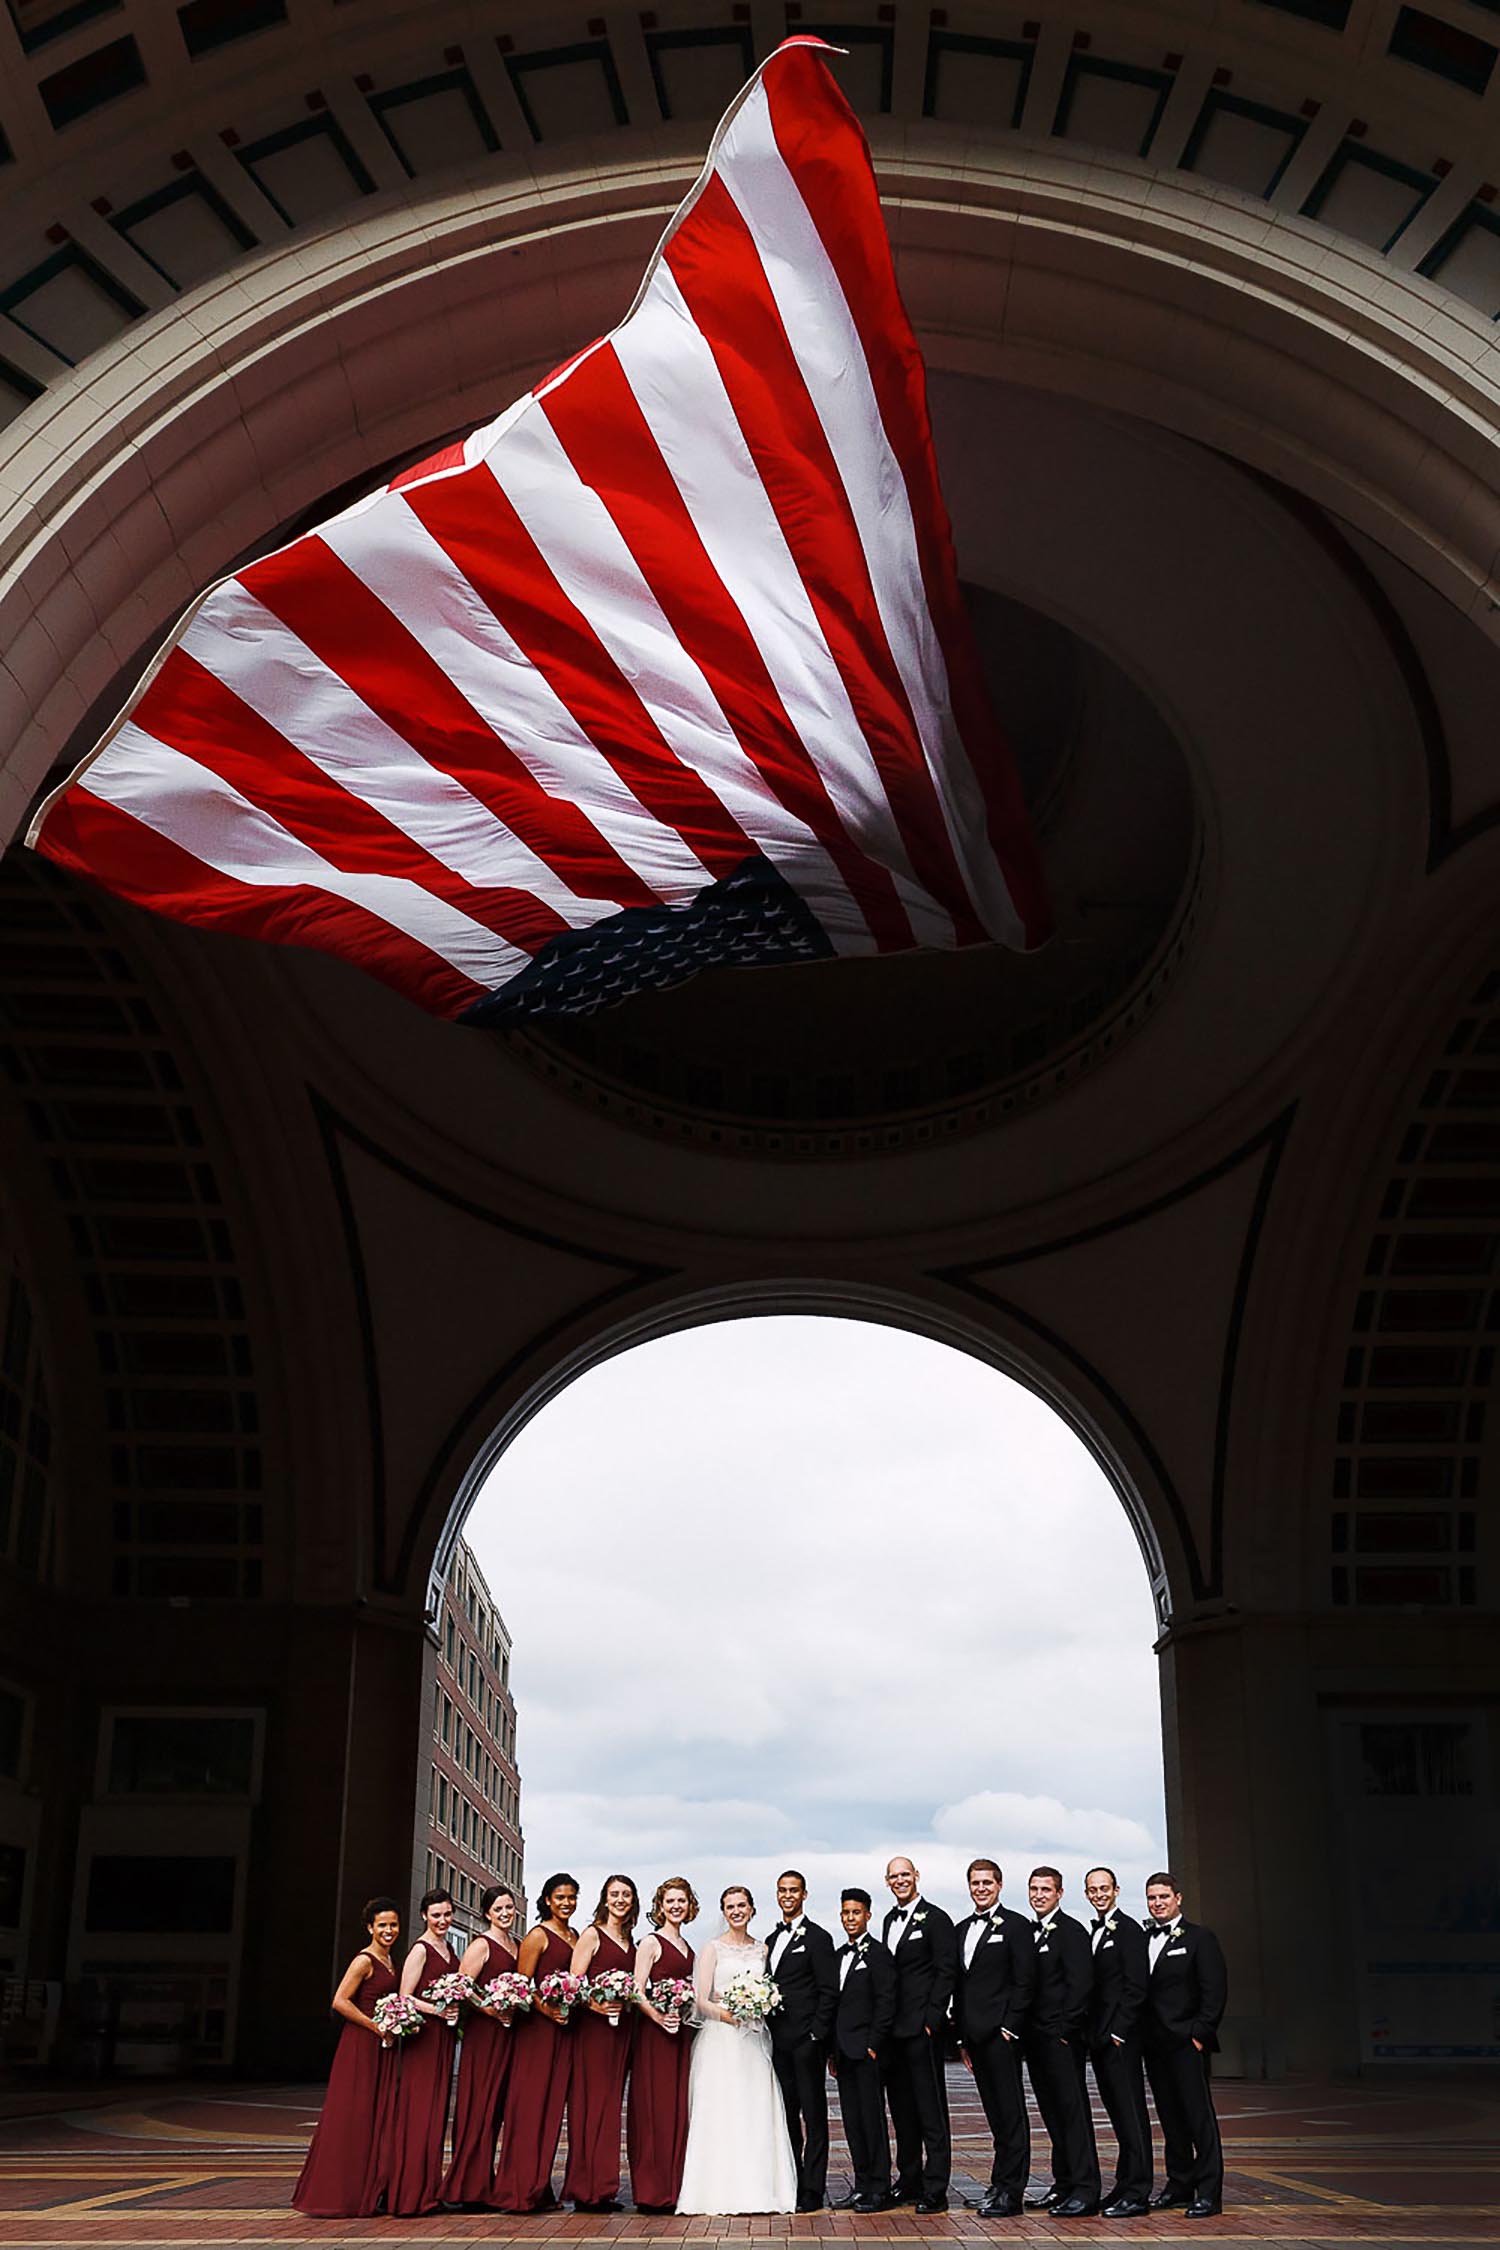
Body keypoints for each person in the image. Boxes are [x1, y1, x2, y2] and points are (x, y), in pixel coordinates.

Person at [676, 1883, 797, 2214]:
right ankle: (716, 2190)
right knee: (721, 2109)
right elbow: (700, 1999)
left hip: (754, 2040)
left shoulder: (762, 1950)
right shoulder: (712, 1949)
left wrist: (760, 2005)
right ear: (724, 1911)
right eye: (730, 1906)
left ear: (752, 1909)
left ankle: (759, 2189)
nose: (736, 1911)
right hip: (721, 2039)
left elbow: (769, 1991)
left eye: (742, 1905)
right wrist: (728, 2016)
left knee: (755, 2108)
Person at [291, 1895, 402, 2217]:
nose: (389, 1930)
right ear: (370, 1927)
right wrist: (375, 2026)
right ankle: (337, 2194)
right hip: (361, 2044)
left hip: (383, 2045)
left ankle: (369, 2187)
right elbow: (340, 2000)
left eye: (393, 1924)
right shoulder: (364, 1960)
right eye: (382, 1925)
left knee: (375, 2116)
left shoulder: (391, 1960)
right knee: (352, 2114)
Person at [490, 1871, 580, 2212]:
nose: (566, 1903)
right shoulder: (537, 1937)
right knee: (528, 2110)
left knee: (552, 2112)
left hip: (565, 2034)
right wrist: (548, 2011)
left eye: (571, 1897)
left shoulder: (575, 1936)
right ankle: (517, 2191)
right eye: (560, 1897)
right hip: (537, 2034)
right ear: (546, 1900)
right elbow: (522, 1985)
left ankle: (540, 2189)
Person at [1141, 1873, 1228, 2218]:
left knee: (1198, 2119)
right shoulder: (1145, 1938)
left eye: (1163, 1896)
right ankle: (1179, 2184)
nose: (1157, 1902)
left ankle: (1209, 2191)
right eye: (1151, 1897)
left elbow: (1215, 1991)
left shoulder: (1200, 1938)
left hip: (1186, 2044)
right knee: (1170, 2119)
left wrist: (1199, 2034)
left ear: (1178, 1898)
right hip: (1155, 2045)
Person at [952, 1857, 1035, 2218]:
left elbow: (1025, 1980)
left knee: (1011, 2114)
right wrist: (961, 2039)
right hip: (975, 2038)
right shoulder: (961, 1930)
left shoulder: (1016, 1926)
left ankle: (1011, 2193)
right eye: (975, 1883)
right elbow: (959, 1985)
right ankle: (998, 2184)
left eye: (987, 1882)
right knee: (995, 2116)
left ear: (999, 1885)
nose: (981, 1888)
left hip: (1002, 2037)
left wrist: (1009, 2027)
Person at [880, 1853, 956, 2212]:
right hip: (893, 2031)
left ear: (917, 1876)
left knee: (931, 2111)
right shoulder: (887, 1921)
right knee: (902, 2111)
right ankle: (909, 2179)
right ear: (887, 1881)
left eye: (905, 1875)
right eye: (894, 1876)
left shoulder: (937, 1919)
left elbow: (946, 1971)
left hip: (922, 2030)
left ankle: (936, 2186)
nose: (900, 1881)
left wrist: (932, 2020)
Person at [1023, 1866, 1100, 2218]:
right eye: (1034, 1889)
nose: (1039, 1895)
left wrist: (1065, 2031)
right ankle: (1064, 2183)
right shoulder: (1030, 1933)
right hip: (1036, 2040)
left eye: (1046, 1890)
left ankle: (1086, 2188)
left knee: (1073, 2113)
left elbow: (1080, 1985)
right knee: (1053, 2114)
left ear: (1060, 1893)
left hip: (1061, 2039)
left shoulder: (1071, 1931)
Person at [440, 1882, 522, 2208]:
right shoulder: (481, 1946)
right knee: (479, 2107)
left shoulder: (516, 1945)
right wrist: (488, 2006)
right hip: (484, 2036)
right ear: (486, 1913)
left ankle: (485, 2182)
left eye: (509, 1908)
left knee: (498, 2110)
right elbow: (460, 1986)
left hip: (508, 2036)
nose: (505, 1913)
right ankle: (467, 2186)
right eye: (498, 1909)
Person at [563, 1873, 639, 2212]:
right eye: (614, 1894)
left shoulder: (630, 1939)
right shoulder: (591, 1935)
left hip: (620, 2032)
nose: (620, 1899)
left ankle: (605, 2188)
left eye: (626, 1894)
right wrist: (596, 2004)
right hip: (593, 2031)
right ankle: (585, 2189)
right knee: (589, 2105)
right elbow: (572, 1985)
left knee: (610, 2107)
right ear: (604, 1899)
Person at [385, 1887, 462, 2216]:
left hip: (444, 2040)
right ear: (424, 1916)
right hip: (424, 2039)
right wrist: (438, 2011)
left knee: (435, 2115)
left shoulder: (449, 1947)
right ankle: (409, 2194)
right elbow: (404, 1995)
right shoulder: (420, 1949)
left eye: (447, 1915)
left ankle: (428, 2190)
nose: (442, 1921)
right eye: (436, 1915)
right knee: (417, 2114)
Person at [765, 1867, 838, 2211]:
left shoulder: (819, 1938)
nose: (788, 1896)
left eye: (794, 1890)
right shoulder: (770, 1940)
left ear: (804, 1894)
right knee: (787, 2114)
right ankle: (793, 2180)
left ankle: (814, 2188)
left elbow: (828, 1991)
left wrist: (816, 2035)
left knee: (814, 2116)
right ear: (777, 1895)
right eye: (782, 1890)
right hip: (777, 2043)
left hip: (807, 2043)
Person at [1083, 1865, 1152, 2218]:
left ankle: (1138, 2192)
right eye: (1092, 1889)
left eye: (1104, 1888)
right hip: (1101, 2041)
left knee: (1132, 2114)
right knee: (1118, 2116)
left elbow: (1136, 1986)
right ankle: (1125, 2185)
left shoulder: (1128, 1930)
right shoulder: (1094, 1932)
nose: (1098, 1894)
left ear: (1116, 1890)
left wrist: (1118, 2032)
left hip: (1120, 2040)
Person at [629, 1876, 698, 2212]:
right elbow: (636, 1989)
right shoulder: (650, 1943)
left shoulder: (690, 1948)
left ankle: (674, 2187)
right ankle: (651, 2192)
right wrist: (657, 2017)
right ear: (660, 1906)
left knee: (677, 2109)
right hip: (655, 2036)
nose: (676, 1906)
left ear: (689, 1906)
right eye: (670, 1901)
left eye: (681, 1901)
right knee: (653, 2108)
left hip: (681, 2036)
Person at [828, 1887, 895, 2212]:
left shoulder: (879, 1954)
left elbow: (886, 2001)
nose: (850, 1918)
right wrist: (832, 2052)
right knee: (852, 2122)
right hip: (843, 2053)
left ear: (868, 1915)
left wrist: (873, 2045)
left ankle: (880, 2188)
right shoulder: (838, 1955)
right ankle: (861, 2183)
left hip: (867, 2052)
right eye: (845, 1913)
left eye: (855, 1912)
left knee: (872, 2120)